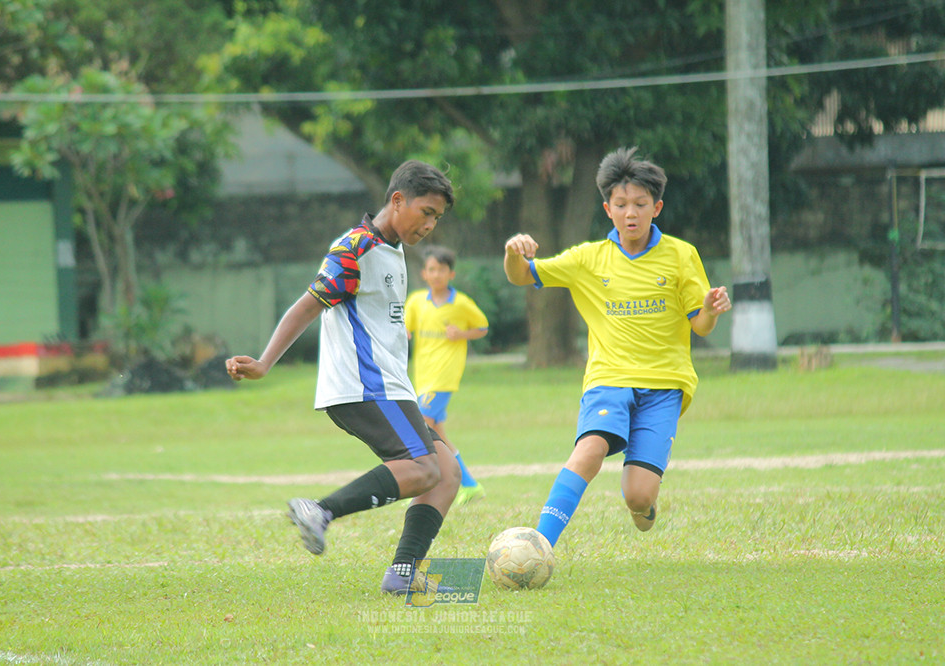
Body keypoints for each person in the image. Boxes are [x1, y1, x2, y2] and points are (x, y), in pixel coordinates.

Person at [226, 160, 461, 595]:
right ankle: (319, 510)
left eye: (437, 218)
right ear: (397, 200)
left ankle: (402, 576)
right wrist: (263, 363)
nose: (431, 225)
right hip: (363, 386)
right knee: (425, 468)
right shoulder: (356, 247)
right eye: (426, 212)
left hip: (389, 386)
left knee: (446, 472)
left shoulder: (391, 248)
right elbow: (308, 305)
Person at [503, 146, 731, 548]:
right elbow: (523, 276)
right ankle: (540, 545)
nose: (631, 213)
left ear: (656, 208)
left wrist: (711, 310)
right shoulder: (589, 259)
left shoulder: (681, 256)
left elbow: (700, 325)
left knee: (638, 495)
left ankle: (643, 506)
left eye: (640, 204)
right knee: (589, 451)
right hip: (609, 378)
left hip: (665, 386)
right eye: (621, 204)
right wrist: (512, 253)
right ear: (607, 209)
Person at [405, 245, 489, 506]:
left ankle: (424, 487)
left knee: (421, 425)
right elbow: (404, 330)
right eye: (432, 269)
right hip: (423, 377)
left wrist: (462, 334)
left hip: (443, 377)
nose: (437, 274)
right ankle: (470, 485)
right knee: (436, 432)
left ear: (451, 274)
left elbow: (482, 327)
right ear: (424, 274)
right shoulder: (417, 301)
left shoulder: (461, 303)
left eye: (442, 270)